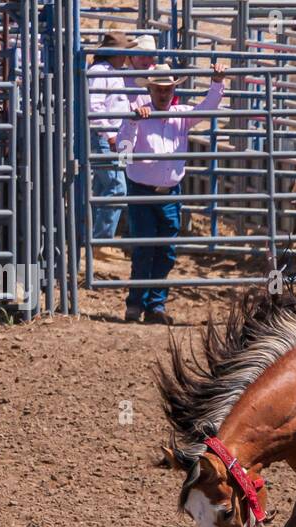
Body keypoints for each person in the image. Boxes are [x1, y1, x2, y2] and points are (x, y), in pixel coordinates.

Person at [116, 61, 228, 323]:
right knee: (145, 249)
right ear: (151, 91)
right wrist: (132, 122)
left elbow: (208, 107)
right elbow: (122, 153)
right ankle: (137, 304)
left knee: (165, 250)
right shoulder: (137, 115)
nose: (163, 94)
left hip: (169, 191)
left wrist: (217, 81)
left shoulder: (182, 113)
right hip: (143, 191)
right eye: (158, 89)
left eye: (167, 89)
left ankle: (155, 305)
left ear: (172, 91)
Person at [87, 31, 134, 241]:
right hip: (109, 138)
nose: (126, 57)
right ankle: (101, 237)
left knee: (106, 185)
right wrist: (109, 135)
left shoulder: (112, 72)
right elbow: (94, 107)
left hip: (121, 137)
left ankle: (93, 235)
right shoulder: (100, 72)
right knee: (117, 187)